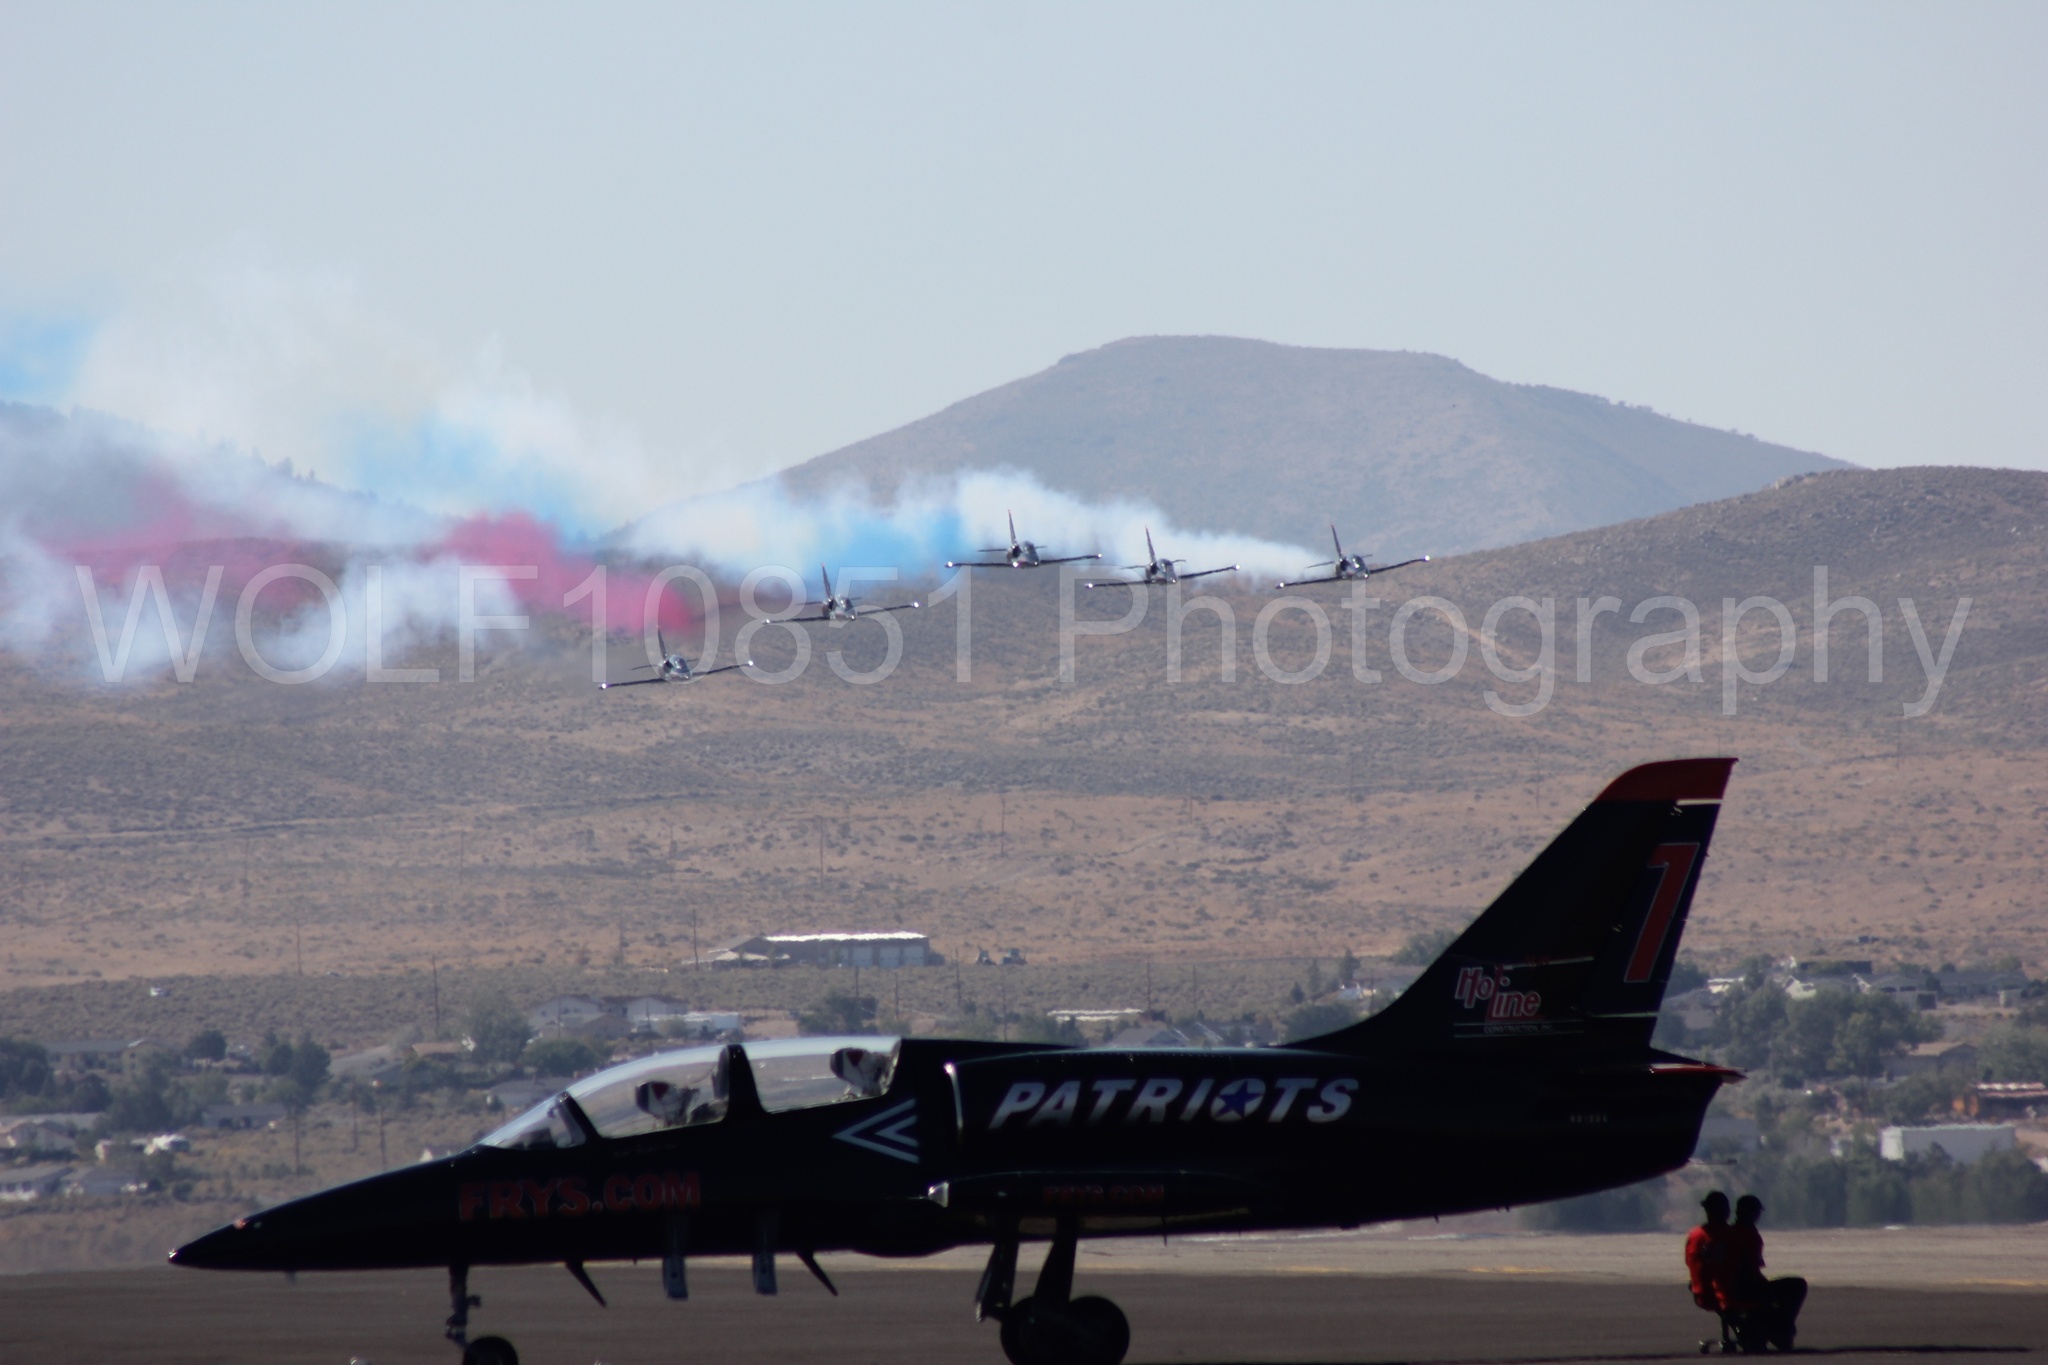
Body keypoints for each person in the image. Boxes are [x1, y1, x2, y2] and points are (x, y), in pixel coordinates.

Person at [1730, 1194, 1807, 1351]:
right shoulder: (1750, 1235)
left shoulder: (1728, 1233)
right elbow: (1751, 1270)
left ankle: (1770, 1329)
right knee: (1797, 1285)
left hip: (1729, 1287)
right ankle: (1781, 1330)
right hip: (1744, 1288)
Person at [1685, 1191, 1734, 1317]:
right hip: (1723, 1294)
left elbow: (1689, 1262)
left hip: (1700, 1294)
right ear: (1726, 1211)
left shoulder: (1694, 1235)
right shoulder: (1730, 1234)